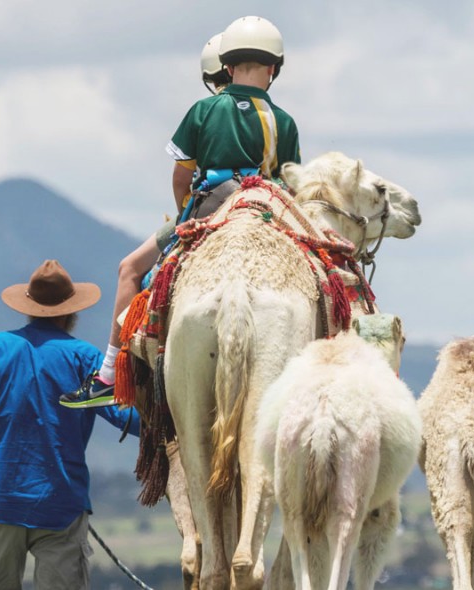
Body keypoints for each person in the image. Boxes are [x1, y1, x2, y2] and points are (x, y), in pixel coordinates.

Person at [61, 16, 301, 408]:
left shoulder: (204, 110)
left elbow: (180, 177)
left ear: (226, 66)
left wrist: (186, 218)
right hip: (266, 212)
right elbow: (291, 184)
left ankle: (108, 375)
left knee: (131, 269)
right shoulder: (285, 122)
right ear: (273, 69)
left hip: (210, 206)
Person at [0, 259, 140, 590]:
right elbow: (126, 418)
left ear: (28, 307)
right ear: (71, 311)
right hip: (61, 504)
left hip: (1, 500)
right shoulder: (85, 357)